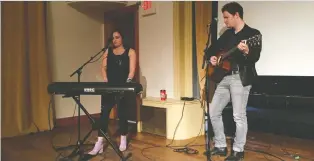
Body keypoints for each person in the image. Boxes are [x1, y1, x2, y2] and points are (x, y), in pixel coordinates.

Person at [206, 2, 262, 161]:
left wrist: (247, 50)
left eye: (227, 17)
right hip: (224, 77)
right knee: (213, 111)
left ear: (236, 15)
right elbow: (212, 49)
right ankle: (220, 146)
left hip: (240, 77)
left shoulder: (253, 34)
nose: (225, 21)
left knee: (238, 115)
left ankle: (238, 150)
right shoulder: (227, 35)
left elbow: (255, 57)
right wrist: (212, 57)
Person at [88, 30, 137, 156]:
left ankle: (123, 138)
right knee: (104, 113)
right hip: (109, 87)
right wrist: (106, 80)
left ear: (122, 38)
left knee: (122, 112)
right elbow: (103, 68)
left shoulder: (130, 51)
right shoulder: (107, 52)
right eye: (113, 38)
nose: (114, 40)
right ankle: (99, 143)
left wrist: (127, 82)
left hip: (123, 86)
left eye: (117, 37)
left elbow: (132, 70)